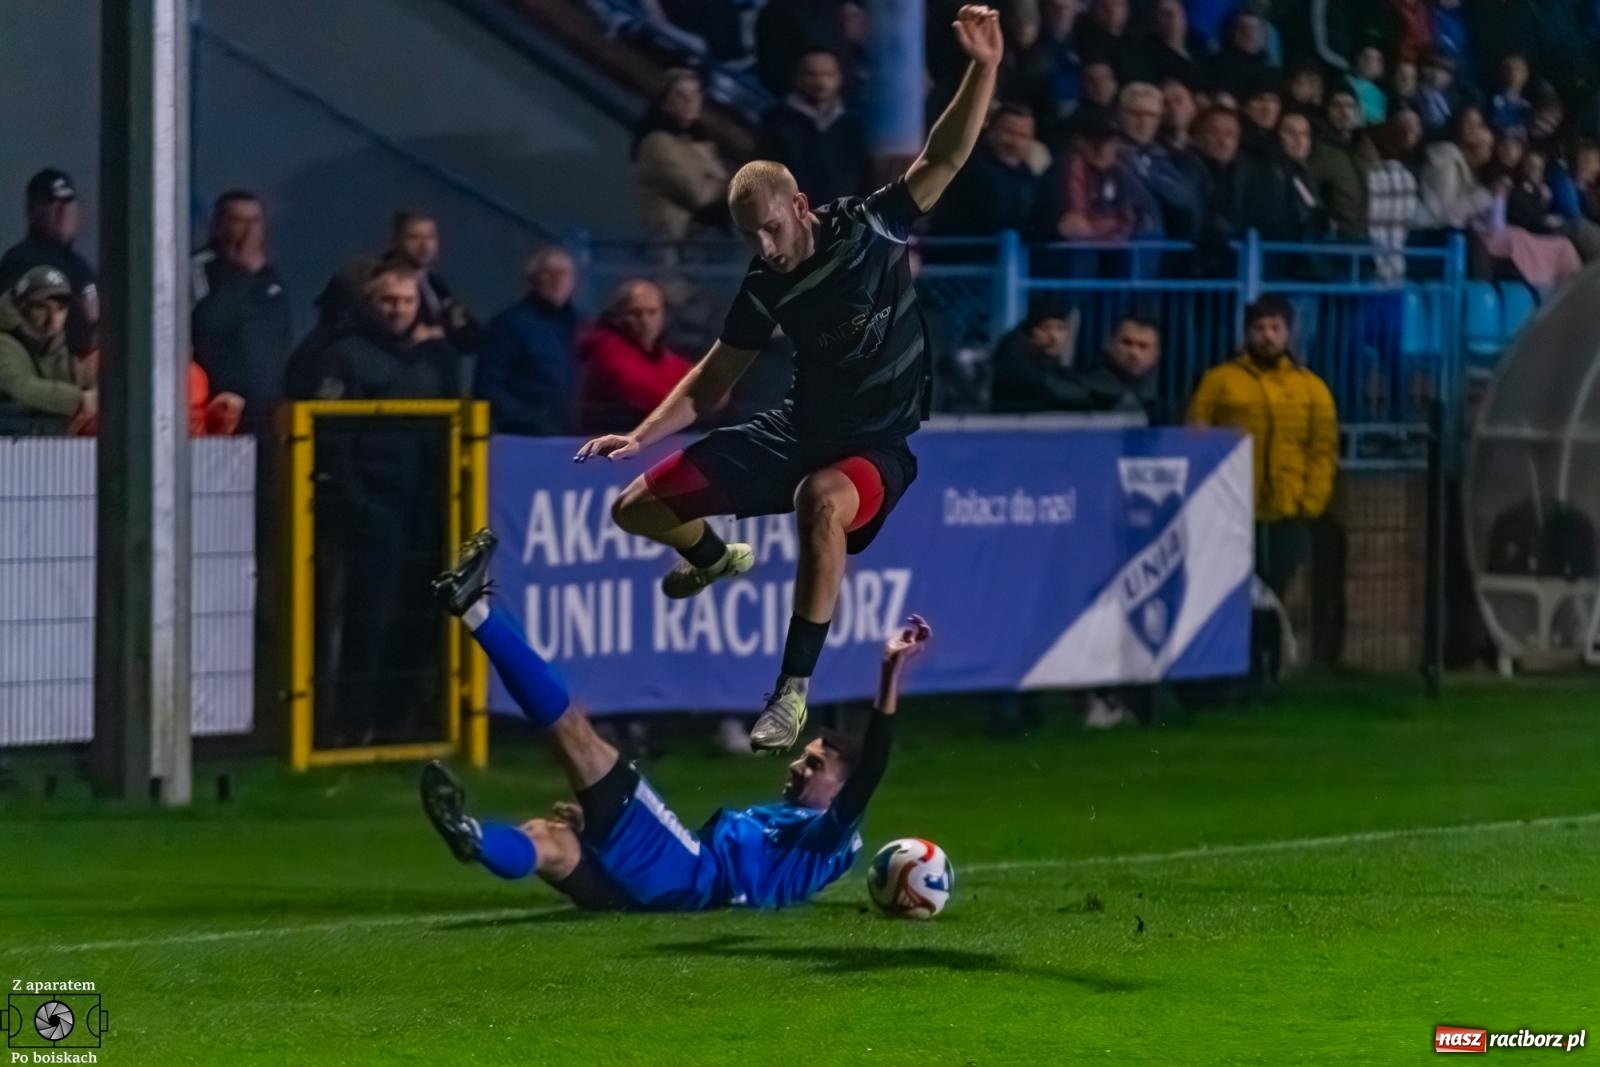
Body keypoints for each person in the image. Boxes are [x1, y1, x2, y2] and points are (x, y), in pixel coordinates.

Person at [575, 5, 1003, 754]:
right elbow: (713, 384)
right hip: (797, 429)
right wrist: (639, 435)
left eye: (771, 228)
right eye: (750, 237)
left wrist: (982, 68)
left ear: (799, 206)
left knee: (821, 501)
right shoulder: (765, 284)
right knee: (634, 508)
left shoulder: (870, 229)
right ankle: (716, 557)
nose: (764, 247)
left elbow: (944, 158)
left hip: (874, 447)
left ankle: (791, 694)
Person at [422, 528, 931, 911]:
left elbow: (871, 770)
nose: (798, 765)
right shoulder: (797, 829)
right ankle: (473, 835)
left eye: (816, 765)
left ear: (842, 792)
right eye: (806, 755)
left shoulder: (829, 834)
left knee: (577, 736)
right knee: (549, 841)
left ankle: (473, 609)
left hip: (685, 875)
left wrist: (889, 673)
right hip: (666, 886)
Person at [1188, 295, 1337, 629]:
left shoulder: (1311, 388)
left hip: (1287, 512)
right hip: (1231, 511)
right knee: (1225, 597)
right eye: (1259, 328)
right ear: (1246, 333)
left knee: (1274, 596)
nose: (1267, 336)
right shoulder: (1219, 380)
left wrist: (1309, 502)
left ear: (1288, 333)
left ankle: (1264, 668)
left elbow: (1323, 450)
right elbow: (1196, 438)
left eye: (1275, 328)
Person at [190, 190, 292, 431]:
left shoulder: (271, 276)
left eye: (255, 220)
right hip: (216, 408)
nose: (249, 229)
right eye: (238, 221)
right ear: (218, 225)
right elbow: (205, 324)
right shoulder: (197, 270)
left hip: (268, 407)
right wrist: (240, 276)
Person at [476, 247, 582, 436]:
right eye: (549, 273)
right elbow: (489, 385)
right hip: (527, 440)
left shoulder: (583, 326)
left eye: (564, 273)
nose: (558, 280)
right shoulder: (508, 324)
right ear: (534, 279)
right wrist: (531, 421)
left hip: (577, 439)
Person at [0, 169, 99, 357]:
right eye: (51, 202)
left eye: (68, 201)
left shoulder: (80, 266)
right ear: (32, 210)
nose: (62, 210)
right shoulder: (20, 262)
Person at [576, 280, 696, 434]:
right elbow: (651, 396)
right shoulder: (606, 350)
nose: (645, 321)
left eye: (652, 312)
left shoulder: (659, 354)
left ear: (664, 315)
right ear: (619, 315)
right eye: (635, 313)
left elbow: (710, 387)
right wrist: (698, 398)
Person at [756, 50, 871, 209]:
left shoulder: (852, 126)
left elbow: (866, 178)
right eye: (812, 74)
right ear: (797, 78)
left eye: (829, 75)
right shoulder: (776, 122)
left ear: (839, 78)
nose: (821, 82)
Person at [633, 69, 730, 246]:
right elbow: (698, 194)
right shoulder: (657, 143)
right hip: (670, 249)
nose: (690, 100)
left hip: (701, 246)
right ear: (664, 102)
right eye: (681, 94)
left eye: (695, 93)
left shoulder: (701, 143)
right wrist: (726, 184)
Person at [0, 266, 96, 435]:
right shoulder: (5, 342)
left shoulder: (56, 346)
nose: (53, 318)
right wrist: (79, 399)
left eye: (60, 309)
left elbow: (78, 377)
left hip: (43, 451)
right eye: (42, 307)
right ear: (22, 306)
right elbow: (22, 388)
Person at [930, 103, 1048, 238]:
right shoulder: (972, 168)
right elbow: (997, 220)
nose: (1014, 142)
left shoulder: (1027, 174)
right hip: (966, 255)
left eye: (1022, 136)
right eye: (1008, 132)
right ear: (991, 131)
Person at [387, 211, 481, 357]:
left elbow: (472, 338)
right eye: (414, 237)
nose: (424, 245)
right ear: (396, 241)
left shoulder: (436, 285)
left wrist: (435, 332)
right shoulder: (381, 280)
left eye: (430, 238)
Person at [988, 308, 1082, 413]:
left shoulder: (1045, 361)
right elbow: (1046, 387)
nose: (1054, 336)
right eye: (1045, 328)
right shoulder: (1013, 362)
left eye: (1060, 328)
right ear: (1031, 333)